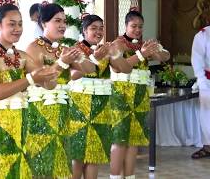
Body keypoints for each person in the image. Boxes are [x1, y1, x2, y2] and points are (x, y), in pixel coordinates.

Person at [0, 3, 60, 178]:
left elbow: (49, 85)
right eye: (12, 24)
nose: (18, 29)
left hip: (21, 120)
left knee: (20, 172)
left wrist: (61, 64)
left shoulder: (22, 56)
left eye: (20, 24)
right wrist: (30, 79)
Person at [68, 14, 136, 179]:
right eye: (93, 28)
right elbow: (73, 75)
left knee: (94, 155)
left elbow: (125, 69)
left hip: (101, 108)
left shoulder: (106, 49)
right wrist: (94, 58)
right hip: (80, 107)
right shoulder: (74, 50)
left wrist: (114, 54)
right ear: (84, 30)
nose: (98, 31)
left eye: (101, 28)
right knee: (78, 156)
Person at [25, 3, 85, 178]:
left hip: (63, 111)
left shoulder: (61, 49)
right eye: (57, 21)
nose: (63, 25)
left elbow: (85, 70)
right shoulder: (33, 48)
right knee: (43, 161)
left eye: (64, 21)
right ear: (44, 23)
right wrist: (63, 63)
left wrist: (81, 56)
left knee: (62, 161)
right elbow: (45, 83)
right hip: (41, 112)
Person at [109, 10, 170, 179]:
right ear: (126, 26)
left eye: (140, 27)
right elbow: (118, 67)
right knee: (119, 140)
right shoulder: (118, 43)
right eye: (133, 26)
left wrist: (155, 51)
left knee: (134, 141)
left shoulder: (143, 44)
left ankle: (129, 176)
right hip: (121, 96)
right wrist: (141, 54)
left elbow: (166, 56)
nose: (137, 30)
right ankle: (114, 177)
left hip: (140, 96)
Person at [191, 26, 210, 159]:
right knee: (207, 115)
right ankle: (207, 147)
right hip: (207, 81)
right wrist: (202, 83)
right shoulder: (204, 35)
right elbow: (197, 59)